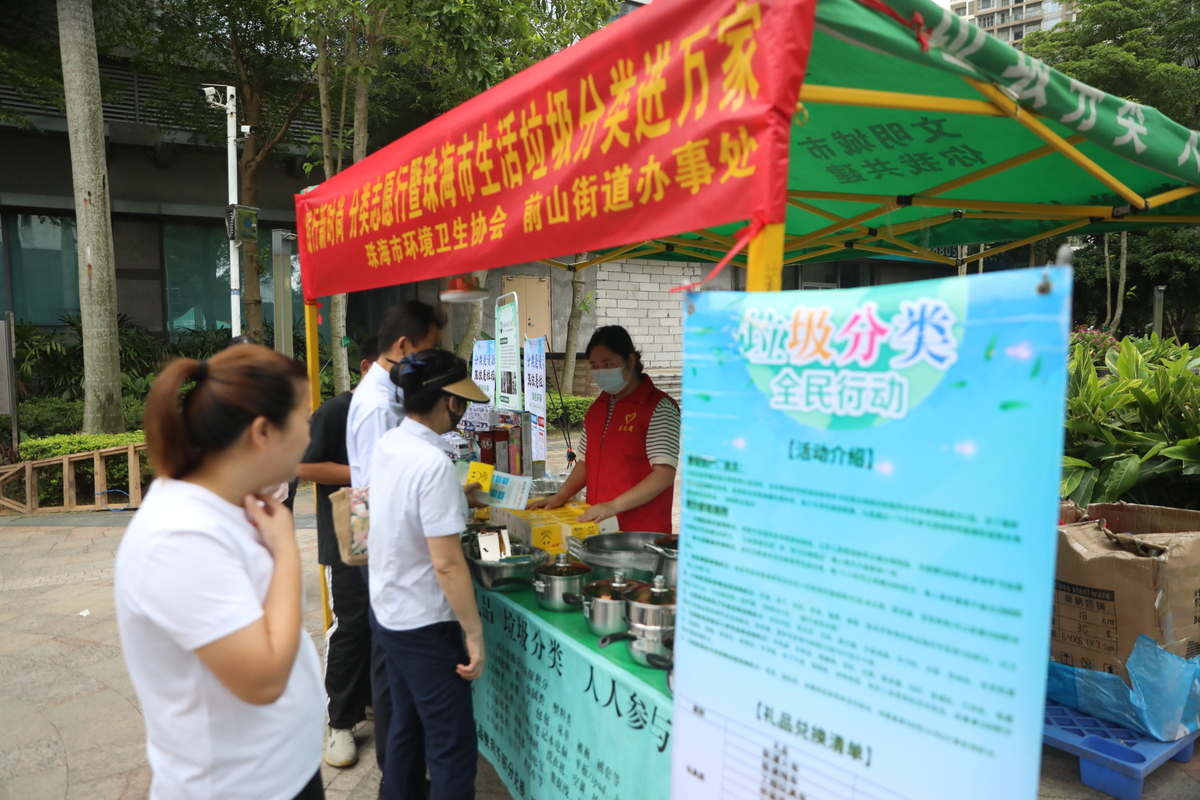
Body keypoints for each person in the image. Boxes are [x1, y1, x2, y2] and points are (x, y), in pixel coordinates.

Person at [114, 344, 325, 800]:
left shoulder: (227, 505)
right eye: (305, 417)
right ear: (264, 431)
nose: (310, 434)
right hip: (240, 787)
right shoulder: (180, 538)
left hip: (278, 771)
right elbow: (263, 679)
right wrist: (286, 551)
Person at [369, 349, 489, 800]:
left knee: (407, 726)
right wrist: (473, 634)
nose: (462, 411)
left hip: (390, 611)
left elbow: (405, 512)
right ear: (448, 401)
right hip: (425, 623)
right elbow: (447, 561)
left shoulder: (393, 443)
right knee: (452, 745)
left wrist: (456, 497)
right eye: (462, 401)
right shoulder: (433, 463)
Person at [346, 299, 444, 784]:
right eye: (430, 351)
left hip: (381, 541)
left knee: (392, 667)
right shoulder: (381, 404)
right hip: (383, 545)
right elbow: (372, 493)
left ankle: (400, 770)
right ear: (404, 347)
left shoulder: (380, 392)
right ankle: (398, 772)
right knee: (389, 667)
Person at [296, 336, 380, 768]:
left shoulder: (396, 410)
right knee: (352, 623)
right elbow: (303, 464)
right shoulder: (337, 410)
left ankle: (367, 699)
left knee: (378, 620)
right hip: (349, 521)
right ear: (366, 367)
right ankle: (340, 722)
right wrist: (364, 472)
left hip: (386, 528)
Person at [531, 325, 680, 534]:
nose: (600, 372)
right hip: (599, 524)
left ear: (630, 360)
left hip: (641, 530)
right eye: (594, 365)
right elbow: (585, 461)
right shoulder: (597, 408)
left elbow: (664, 474)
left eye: (607, 364)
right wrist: (561, 495)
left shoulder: (658, 407)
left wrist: (614, 506)